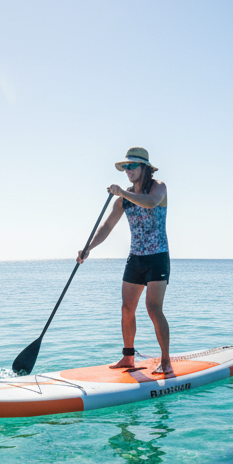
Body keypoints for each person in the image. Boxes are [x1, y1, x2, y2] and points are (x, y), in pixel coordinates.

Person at [77, 147, 173, 377]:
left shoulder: (158, 187)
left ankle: (166, 361)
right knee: (127, 308)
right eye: (125, 167)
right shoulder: (123, 200)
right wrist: (88, 247)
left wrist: (122, 193)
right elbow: (107, 226)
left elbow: (150, 202)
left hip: (157, 257)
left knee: (153, 308)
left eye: (132, 166)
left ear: (145, 168)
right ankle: (128, 356)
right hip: (135, 258)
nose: (128, 170)